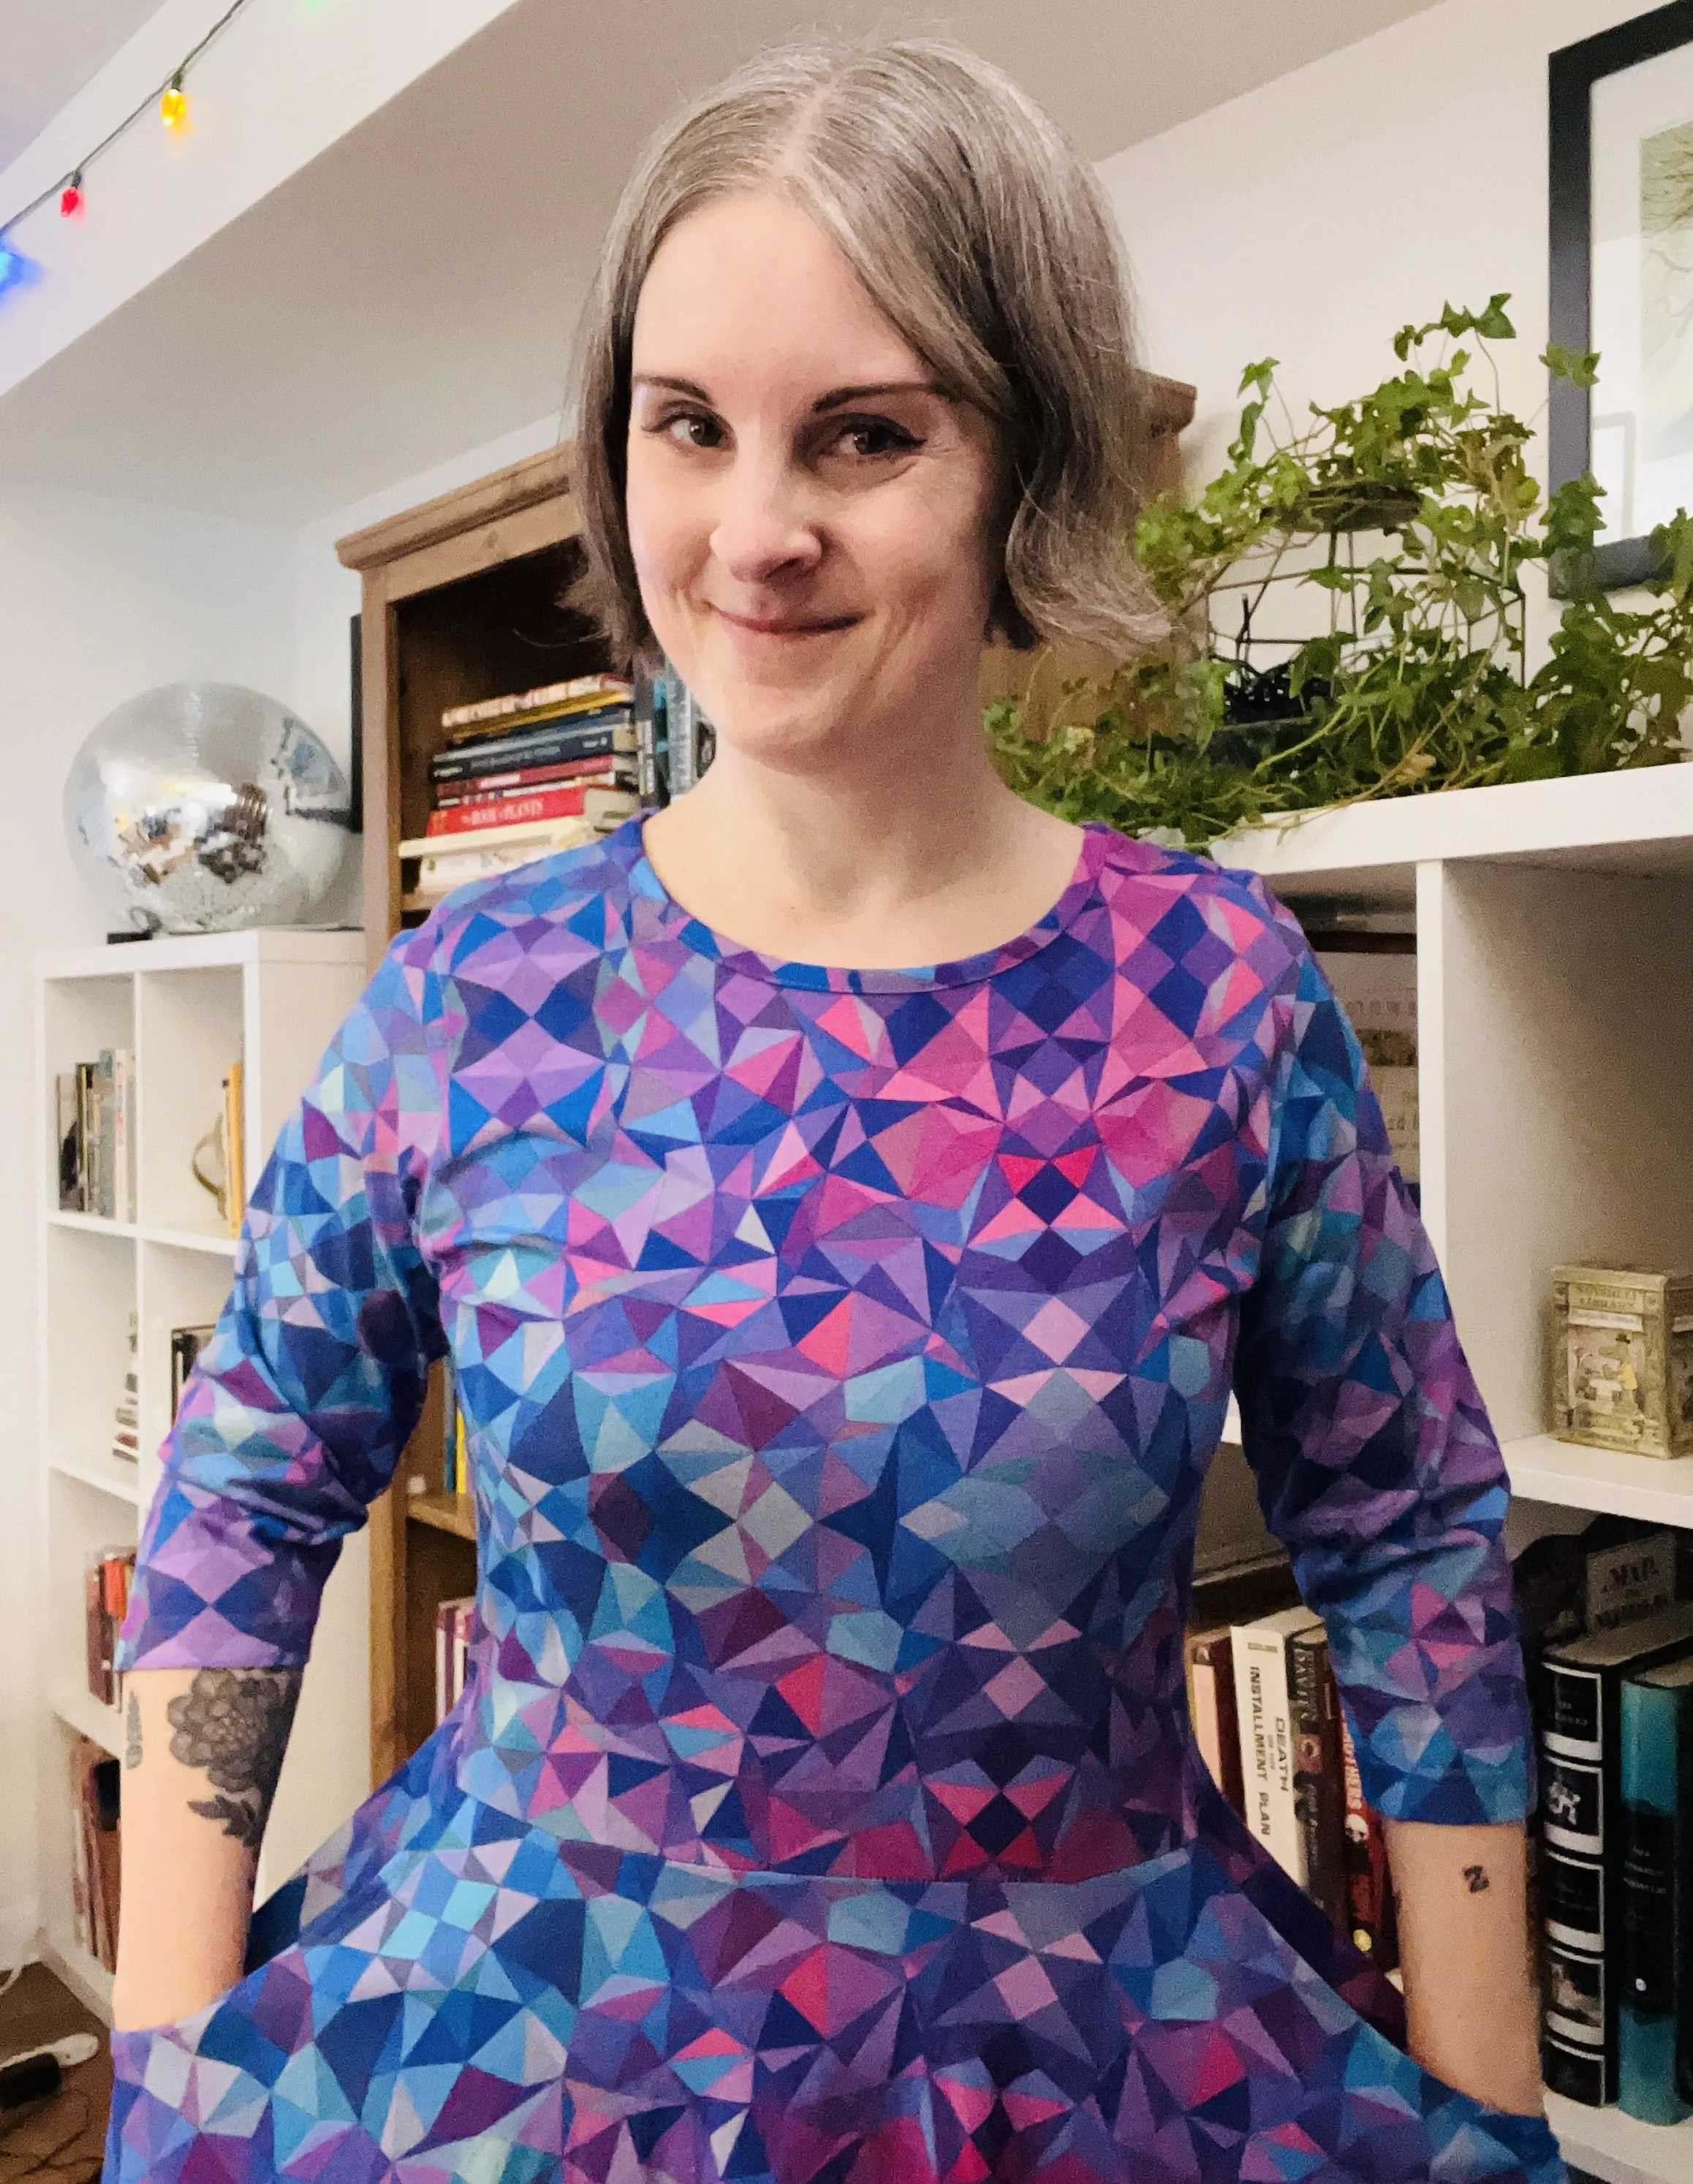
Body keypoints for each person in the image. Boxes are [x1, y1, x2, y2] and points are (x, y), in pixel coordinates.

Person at [106, 37, 1564, 2184]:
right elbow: (239, 1510)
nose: (757, 532)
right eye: (688, 427)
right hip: (514, 2055)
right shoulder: (466, 1005)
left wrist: (1485, 2111)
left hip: (1095, 2047)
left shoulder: (1216, 1003)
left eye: (864, 434)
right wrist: (167, 2060)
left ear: (1023, 466)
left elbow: (1411, 1541)